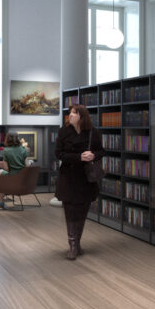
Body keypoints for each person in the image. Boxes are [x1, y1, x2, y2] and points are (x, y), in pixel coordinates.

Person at [54, 104, 104, 260]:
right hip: (68, 176)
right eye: (70, 113)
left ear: (82, 116)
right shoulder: (64, 131)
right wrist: (78, 157)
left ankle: (77, 242)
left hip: (85, 177)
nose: (70, 115)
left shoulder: (93, 132)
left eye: (74, 113)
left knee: (82, 210)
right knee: (69, 209)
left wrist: (93, 155)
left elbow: (102, 151)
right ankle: (73, 245)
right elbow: (58, 153)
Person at [0, 133, 28, 209]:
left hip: (12, 178)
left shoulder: (6, 151)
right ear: (17, 139)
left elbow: (6, 169)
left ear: (7, 139)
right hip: (23, 178)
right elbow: (27, 166)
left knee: (0, 172)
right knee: (1, 175)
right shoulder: (23, 149)